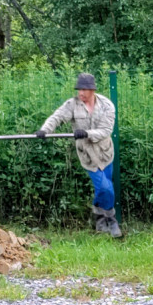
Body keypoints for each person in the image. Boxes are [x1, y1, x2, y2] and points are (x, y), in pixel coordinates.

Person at [36, 73, 121, 238]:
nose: (80, 93)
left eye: (84, 89)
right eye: (79, 89)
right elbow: (57, 117)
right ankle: (112, 220)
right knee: (105, 188)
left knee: (104, 189)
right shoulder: (73, 105)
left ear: (92, 90)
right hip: (88, 156)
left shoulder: (107, 105)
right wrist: (45, 130)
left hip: (105, 152)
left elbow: (106, 131)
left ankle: (99, 218)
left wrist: (87, 133)